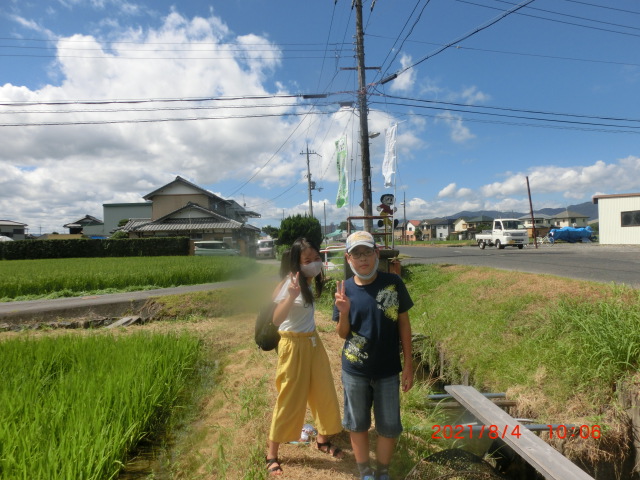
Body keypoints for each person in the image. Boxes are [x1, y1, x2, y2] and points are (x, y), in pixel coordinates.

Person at [333, 231, 414, 480]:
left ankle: (383, 471)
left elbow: (404, 324)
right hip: (355, 370)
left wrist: (408, 364)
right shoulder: (344, 289)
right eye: (356, 254)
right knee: (357, 423)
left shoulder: (393, 283)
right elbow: (342, 334)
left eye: (367, 252)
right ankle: (365, 472)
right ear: (348, 258)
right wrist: (343, 312)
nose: (363, 259)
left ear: (376, 254)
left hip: (388, 370)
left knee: (389, 426)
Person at [266, 237, 344, 476]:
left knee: (323, 391)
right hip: (293, 345)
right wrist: (290, 296)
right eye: (308, 260)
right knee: (289, 397)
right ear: (296, 263)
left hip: (312, 342)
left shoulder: (308, 282)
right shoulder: (288, 284)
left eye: (317, 258)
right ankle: (271, 455)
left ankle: (322, 440)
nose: (315, 263)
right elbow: (276, 319)